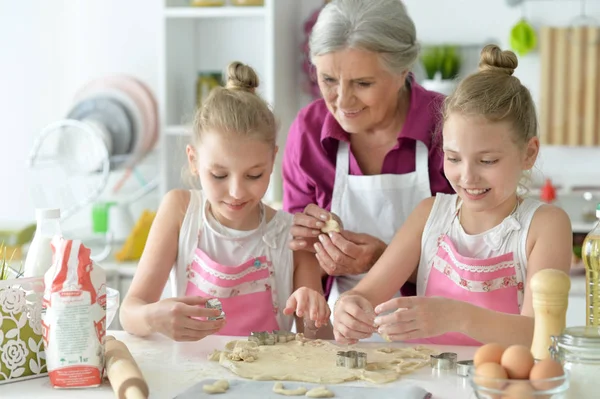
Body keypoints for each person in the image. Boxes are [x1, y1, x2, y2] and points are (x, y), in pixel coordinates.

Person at [332, 45, 573, 347]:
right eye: (454, 158)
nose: (468, 177)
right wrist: (349, 308)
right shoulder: (430, 215)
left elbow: (539, 334)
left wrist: (457, 316)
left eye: (487, 161)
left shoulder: (544, 226)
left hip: (505, 390)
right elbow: (365, 294)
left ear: (529, 153)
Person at [120, 62, 332, 341]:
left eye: (253, 175)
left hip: (265, 381)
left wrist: (315, 312)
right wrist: (153, 317)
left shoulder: (291, 237)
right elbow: (130, 312)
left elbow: (319, 347)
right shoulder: (180, 211)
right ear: (193, 160)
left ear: (272, 160)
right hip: (192, 376)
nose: (236, 192)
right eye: (219, 175)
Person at [282, 0, 454, 317]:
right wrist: (310, 297)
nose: (342, 101)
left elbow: (475, 268)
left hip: (437, 332)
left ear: (403, 70)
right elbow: (300, 247)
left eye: (363, 83)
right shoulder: (309, 132)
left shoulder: (448, 128)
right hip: (341, 332)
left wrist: (382, 260)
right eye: (329, 80)